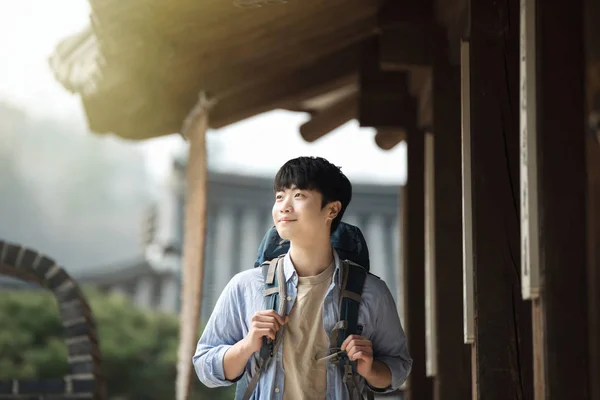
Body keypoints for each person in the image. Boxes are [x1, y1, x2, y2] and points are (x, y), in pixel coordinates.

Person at [193, 156, 412, 399]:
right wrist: (247, 346)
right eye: (279, 197)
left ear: (332, 209)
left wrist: (370, 368)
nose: (284, 206)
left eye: (298, 196)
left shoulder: (371, 291)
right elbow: (205, 367)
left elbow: (398, 369)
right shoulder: (245, 286)